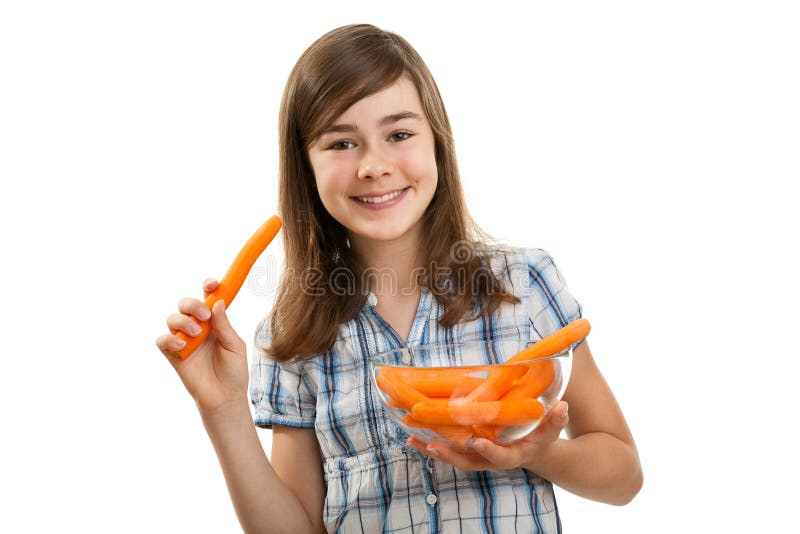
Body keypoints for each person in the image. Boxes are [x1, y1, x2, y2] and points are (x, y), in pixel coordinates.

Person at [156, 23, 642, 533]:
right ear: (306, 166)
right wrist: (223, 408)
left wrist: (534, 454)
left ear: (437, 141)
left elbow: (623, 475)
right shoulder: (291, 339)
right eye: (341, 143)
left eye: (400, 134)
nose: (374, 165)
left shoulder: (523, 284)